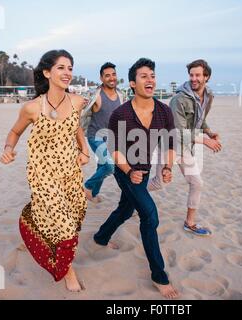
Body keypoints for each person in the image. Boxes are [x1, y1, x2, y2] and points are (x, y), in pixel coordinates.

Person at [0, 50, 90, 292]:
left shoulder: (78, 101)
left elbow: (76, 128)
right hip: (43, 173)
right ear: (47, 72)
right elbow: (15, 132)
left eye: (70, 68)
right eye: (61, 67)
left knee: (74, 216)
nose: (67, 72)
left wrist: (84, 150)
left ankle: (33, 223)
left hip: (70, 171)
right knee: (66, 228)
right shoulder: (32, 108)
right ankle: (68, 272)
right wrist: (8, 148)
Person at [93, 58, 179, 299]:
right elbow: (114, 149)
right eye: (144, 76)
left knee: (124, 209)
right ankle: (158, 275)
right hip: (125, 171)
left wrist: (167, 167)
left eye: (152, 75)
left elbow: (170, 143)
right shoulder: (121, 114)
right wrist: (129, 171)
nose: (150, 79)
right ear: (132, 83)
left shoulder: (164, 111)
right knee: (149, 215)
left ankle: (101, 237)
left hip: (146, 168)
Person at [148, 59, 222, 236]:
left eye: (198, 75)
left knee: (197, 183)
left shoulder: (208, 97)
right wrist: (205, 140)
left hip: (186, 147)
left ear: (207, 77)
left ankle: (190, 223)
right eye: (191, 75)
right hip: (169, 145)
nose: (194, 78)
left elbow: (200, 119)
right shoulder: (179, 99)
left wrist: (209, 132)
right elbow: (178, 131)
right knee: (158, 184)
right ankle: (133, 195)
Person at [82, 62, 124, 203]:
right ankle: (87, 186)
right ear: (102, 78)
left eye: (113, 74)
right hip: (96, 137)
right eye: (107, 76)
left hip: (111, 138)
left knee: (102, 165)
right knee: (109, 166)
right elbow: (81, 110)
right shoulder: (96, 96)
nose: (111, 78)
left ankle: (92, 194)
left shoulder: (120, 95)